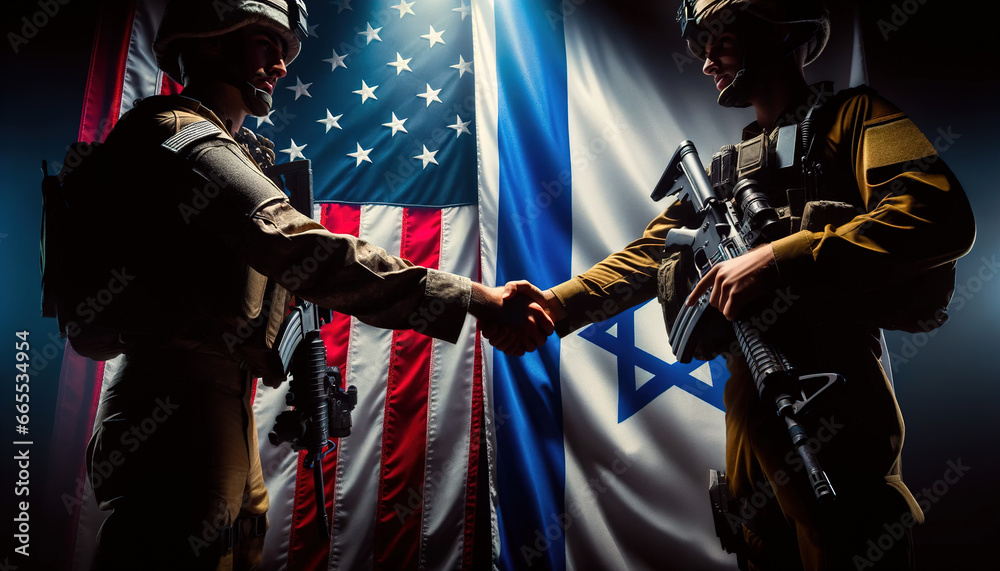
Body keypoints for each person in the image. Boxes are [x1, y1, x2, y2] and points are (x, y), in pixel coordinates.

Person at [60, 1, 551, 569]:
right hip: (176, 403)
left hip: (217, 398)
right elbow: (300, 248)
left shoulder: (223, 145)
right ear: (212, 39)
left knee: (233, 542)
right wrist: (474, 296)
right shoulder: (179, 136)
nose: (281, 65)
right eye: (266, 44)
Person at [487, 0, 976, 569]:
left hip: (833, 389)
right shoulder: (726, 172)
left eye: (720, 40)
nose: (706, 62)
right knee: (761, 540)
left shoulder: (853, 118)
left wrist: (778, 259)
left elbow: (935, 211)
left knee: (846, 532)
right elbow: (650, 254)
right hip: (751, 392)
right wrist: (554, 304)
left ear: (777, 31)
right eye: (701, 47)